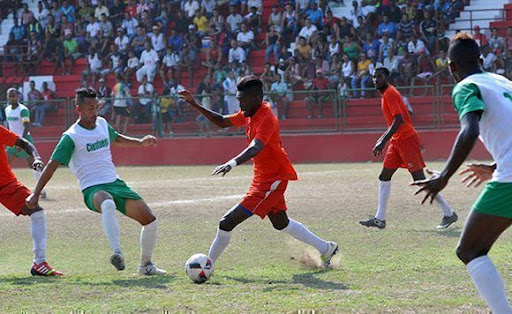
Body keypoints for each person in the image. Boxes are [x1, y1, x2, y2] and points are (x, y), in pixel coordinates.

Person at [178, 76, 339, 268]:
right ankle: (327, 249)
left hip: (273, 178)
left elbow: (256, 147)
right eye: (238, 100)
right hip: (263, 177)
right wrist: (195, 105)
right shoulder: (248, 113)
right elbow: (222, 121)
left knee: (226, 222)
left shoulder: (267, 117)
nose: (240, 104)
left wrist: (232, 163)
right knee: (281, 223)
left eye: (242, 100)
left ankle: (206, 267)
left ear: (256, 98)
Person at [412, 32, 512, 314]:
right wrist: (494, 165)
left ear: (451, 67)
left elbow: (470, 130)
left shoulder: (466, 86)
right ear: (481, 60)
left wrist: (443, 177)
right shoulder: (503, 82)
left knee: (470, 251)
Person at [26, 88, 166, 276]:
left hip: (115, 183)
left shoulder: (102, 123)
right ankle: (117, 253)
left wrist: (140, 142)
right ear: (79, 109)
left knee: (150, 220)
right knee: (107, 202)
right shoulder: (71, 136)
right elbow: (51, 166)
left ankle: (146, 266)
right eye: (90, 109)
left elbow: (117, 138)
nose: (95, 113)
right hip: (92, 189)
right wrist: (36, 193)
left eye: (97, 108)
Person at [359, 67, 457, 229]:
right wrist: (384, 139)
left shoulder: (390, 93)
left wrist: (383, 140)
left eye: (380, 77)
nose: (376, 80)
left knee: (419, 181)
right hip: (397, 141)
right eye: (374, 77)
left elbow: (399, 120)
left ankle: (449, 213)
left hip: (406, 140)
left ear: (387, 77)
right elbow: (394, 122)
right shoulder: (385, 94)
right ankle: (380, 219)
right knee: (384, 176)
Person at [0, 116, 62, 276]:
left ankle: (39, 263)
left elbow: (24, 143)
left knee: (37, 211)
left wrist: (36, 157)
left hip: (6, 184)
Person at [5, 88, 48, 199]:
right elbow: (9, 127)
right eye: (10, 96)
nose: (12, 98)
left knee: (34, 164)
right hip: (12, 141)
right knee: (4, 164)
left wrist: (22, 143)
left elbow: (27, 126)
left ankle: (41, 190)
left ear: (17, 97)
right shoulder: (7, 109)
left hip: (24, 140)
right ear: (7, 97)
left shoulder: (23, 110)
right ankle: (4, 187)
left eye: (14, 96)